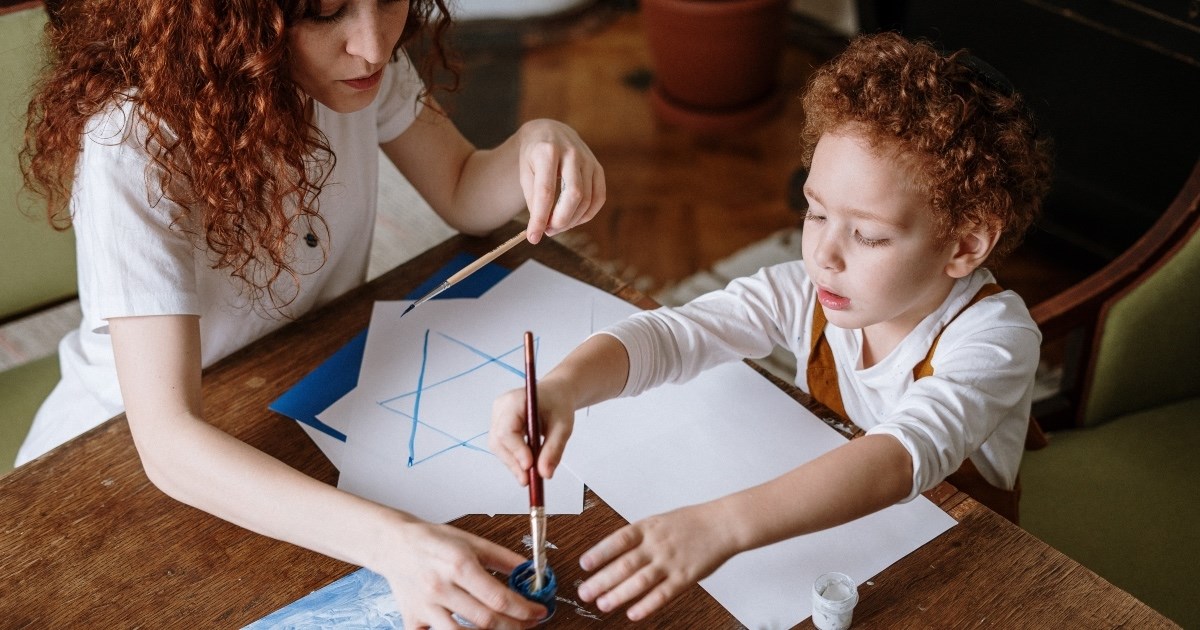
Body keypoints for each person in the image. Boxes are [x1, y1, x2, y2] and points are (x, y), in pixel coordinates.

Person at [18, 0, 604, 627]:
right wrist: (393, 543)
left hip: (307, 389)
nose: (375, 45)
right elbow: (166, 442)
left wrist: (538, 144)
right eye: (326, 12)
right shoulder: (132, 145)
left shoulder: (352, 69)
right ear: (226, 19)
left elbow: (462, 187)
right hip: (117, 466)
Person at [490, 31, 1052, 622]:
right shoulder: (806, 292)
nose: (824, 255)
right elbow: (678, 334)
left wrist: (721, 525)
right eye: (815, 212)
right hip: (838, 532)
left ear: (964, 245)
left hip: (963, 554)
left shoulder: (994, 337)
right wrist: (563, 388)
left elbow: (899, 456)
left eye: (868, 235)